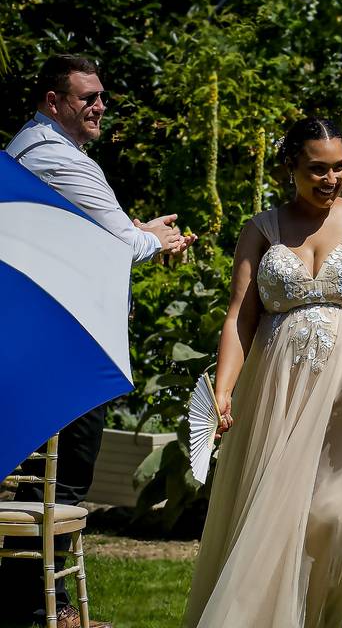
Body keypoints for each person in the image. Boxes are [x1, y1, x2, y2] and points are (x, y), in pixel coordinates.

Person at [181, 117, 342, 627]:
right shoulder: (260, 229)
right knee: (283, 521)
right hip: (278, 390)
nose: (332, 180)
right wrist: (223, 389)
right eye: (317, 170)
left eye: (340, 166)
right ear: (291, 168)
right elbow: (241, 314)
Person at [1, 54, 194, 628]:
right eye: (87, 97)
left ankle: (36, 604)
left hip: (37, 334)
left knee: (40, 475)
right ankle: (41, 609)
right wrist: (153, 239)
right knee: (65, 477)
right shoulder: (61, 160)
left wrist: (135, 232)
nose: (100, 106)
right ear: (52, 102)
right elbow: (117, 245)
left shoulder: (27, 147)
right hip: (65, 340)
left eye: (102, 96)